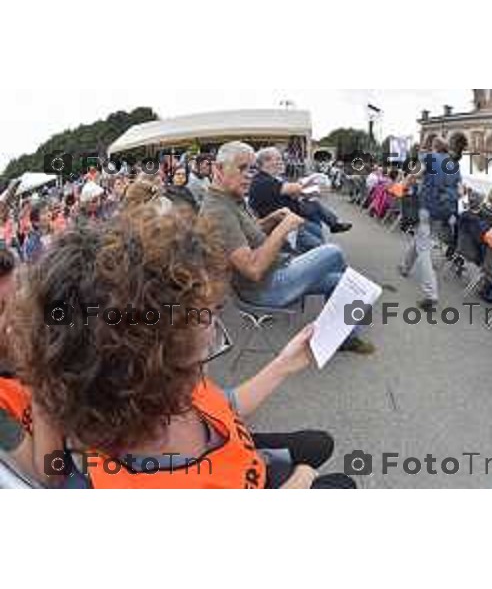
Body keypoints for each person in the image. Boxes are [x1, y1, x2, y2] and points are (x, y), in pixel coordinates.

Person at [0, 204, 355, 489]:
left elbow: (222, 405)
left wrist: (284, 364)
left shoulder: (163, 382)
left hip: (243, 458)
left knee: (319, 443)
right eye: (203, 340)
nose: (207, 352)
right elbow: (50, 473)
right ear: (151, 373)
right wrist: (302, 480)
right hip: (250, 472)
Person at [202, 141, 374, 354]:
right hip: (264, 289)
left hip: (274, 273)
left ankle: (345, 334)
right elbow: (253, 270)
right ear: (218, 169)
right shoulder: (218, 210)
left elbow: (246, 235)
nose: (248, 175)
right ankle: (358, 292)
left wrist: (272, 219)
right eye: (242, 168)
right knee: (333, 252)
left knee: (340, 283)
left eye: (251, 169)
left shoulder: (230, 198)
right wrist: (283, 228)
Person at [249, 147, 352, 252]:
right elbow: (294, 188)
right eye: (278, 159)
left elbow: (293, 193)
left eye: (281, 159)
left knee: (314, 213)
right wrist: (309, 181)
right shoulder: (263, 180)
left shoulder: (269, 178)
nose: (281, 162)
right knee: (322, 249)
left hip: (291, 218)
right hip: (283, 224)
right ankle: (331, 232)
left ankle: (333, 226)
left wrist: (302, 189)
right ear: (266, 162)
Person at [399, 138, 461, 311]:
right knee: (422, 237)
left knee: (424, 248)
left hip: (428, 207)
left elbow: (414, 175)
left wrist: (405, 186)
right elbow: (461, 190)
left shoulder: (429, 158)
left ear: (434, 148)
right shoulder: (453, 165)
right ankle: (405, 266)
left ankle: (430, 294)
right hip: (444, 212)